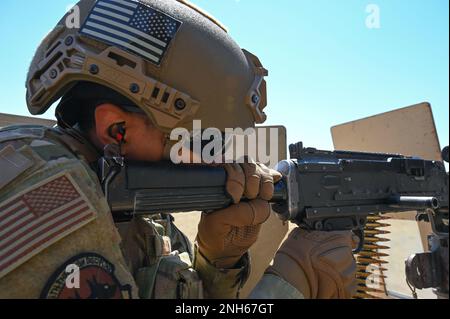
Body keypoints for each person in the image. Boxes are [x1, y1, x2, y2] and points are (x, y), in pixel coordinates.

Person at [0, 0, 356, 299]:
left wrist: (216, 263)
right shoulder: (46, 193)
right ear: (116, 129)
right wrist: (293, 283)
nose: (213, 160)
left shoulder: (134, 204)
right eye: (201, 141)